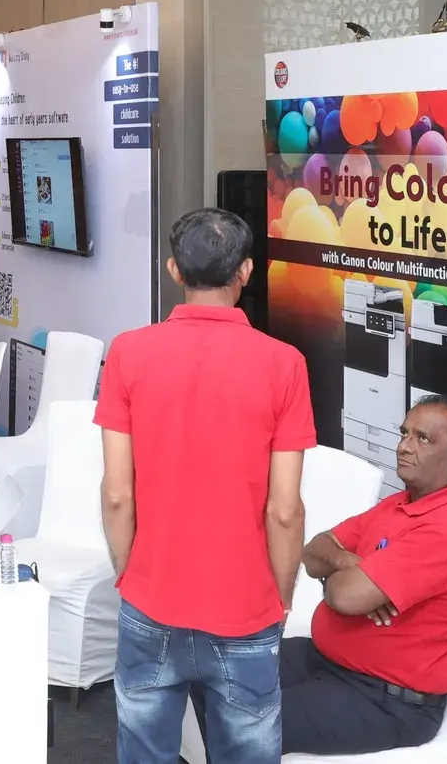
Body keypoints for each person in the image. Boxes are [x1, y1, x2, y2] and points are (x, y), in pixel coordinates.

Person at [96, 208, 313, 764]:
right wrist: (282, 594)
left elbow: (117, 494)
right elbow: (284, 510)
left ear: (174, 270)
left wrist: (129, 572)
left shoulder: (127, 352)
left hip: (150, 598)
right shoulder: (285, 364)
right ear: (247, 271)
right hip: (246, 607)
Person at [283, 397, 447, 755]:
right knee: (217, 673)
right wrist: (352, 564)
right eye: (405, 433)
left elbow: (343, 598)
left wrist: (344, 578)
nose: (404, 446)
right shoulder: (397, 505)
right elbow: (313, 553)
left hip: (384, 698)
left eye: (423, 439)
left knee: (246, 717)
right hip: (325, 660)